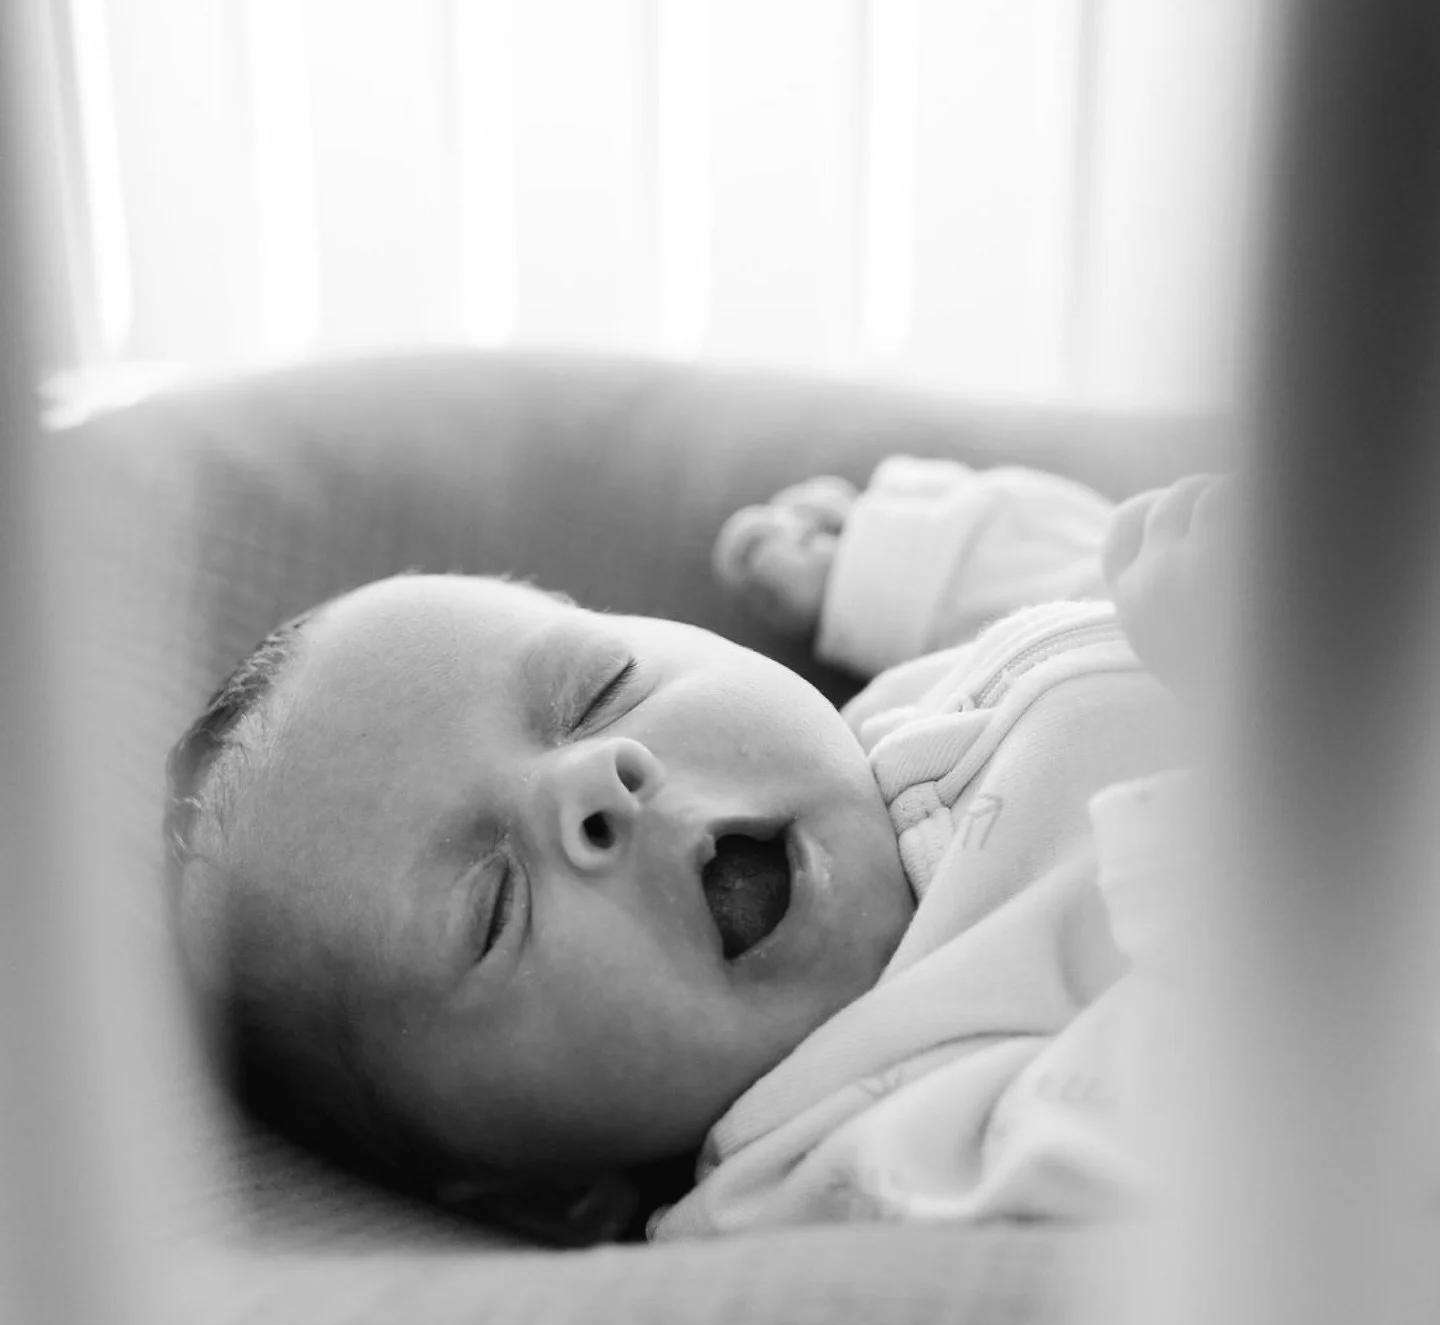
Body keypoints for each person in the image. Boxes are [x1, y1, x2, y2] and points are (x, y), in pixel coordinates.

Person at [165, 457, 1233, 1243]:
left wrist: (885, 566)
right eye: (491, 908)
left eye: (599, 691)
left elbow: (1099, 583)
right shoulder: (842, 1156)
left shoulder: (896, 730)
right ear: (549, 1194)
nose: (595, 781)